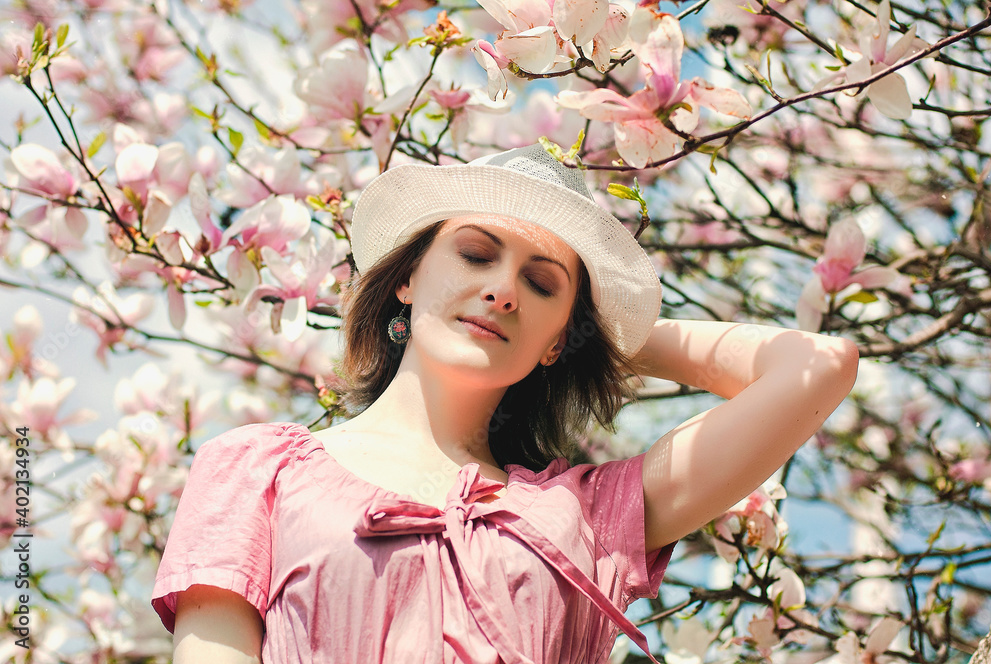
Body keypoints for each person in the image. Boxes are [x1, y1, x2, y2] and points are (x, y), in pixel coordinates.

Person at [151, 143, 859, 663]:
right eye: (475, 255)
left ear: (558, 340)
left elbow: (818, 366)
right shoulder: (260, 470)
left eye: (542, 284)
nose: (503, 290)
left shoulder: (587, 516)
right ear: (407, 279)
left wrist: (601, 338)